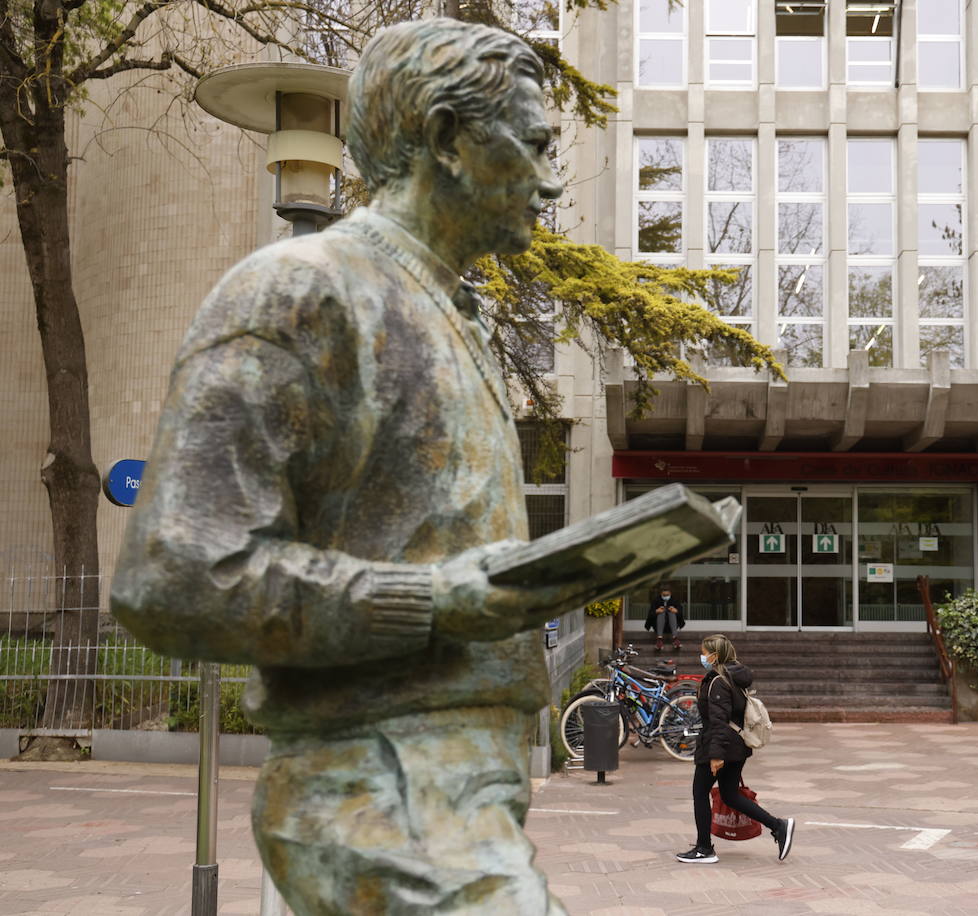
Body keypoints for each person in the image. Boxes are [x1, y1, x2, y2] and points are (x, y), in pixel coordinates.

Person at [111, 20, 580, 914]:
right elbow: (172, 573)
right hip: (378, 791)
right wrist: (433, 602)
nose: (552, 179)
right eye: (535, 143)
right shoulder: (300, 292)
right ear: (447, 139)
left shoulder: (453, 317)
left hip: (459, 797)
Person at [677, 633, 795, 865]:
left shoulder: (718, 682)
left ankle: (704, 848)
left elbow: (719, 721)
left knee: (700, 794)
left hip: (721, 747)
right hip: (735, 746)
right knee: (729, 795)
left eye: (704, 652)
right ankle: (778, 826)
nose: (702, 657)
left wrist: (716, 755)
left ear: (715, 655)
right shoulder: (732, 677)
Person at [644, 584, 685, 653]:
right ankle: (659, 639)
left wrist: (676, 611)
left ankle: (675, 638)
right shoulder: (656, 600)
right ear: (661, 594)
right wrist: (657, 611)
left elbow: (680, 612)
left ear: (670, 593)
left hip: (671, 626)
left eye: (667, 595)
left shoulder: (674, 600)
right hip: (658, 625)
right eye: (664, 595)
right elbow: (650, 614)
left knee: (671, 613)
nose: (666, 597)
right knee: (661, 613)